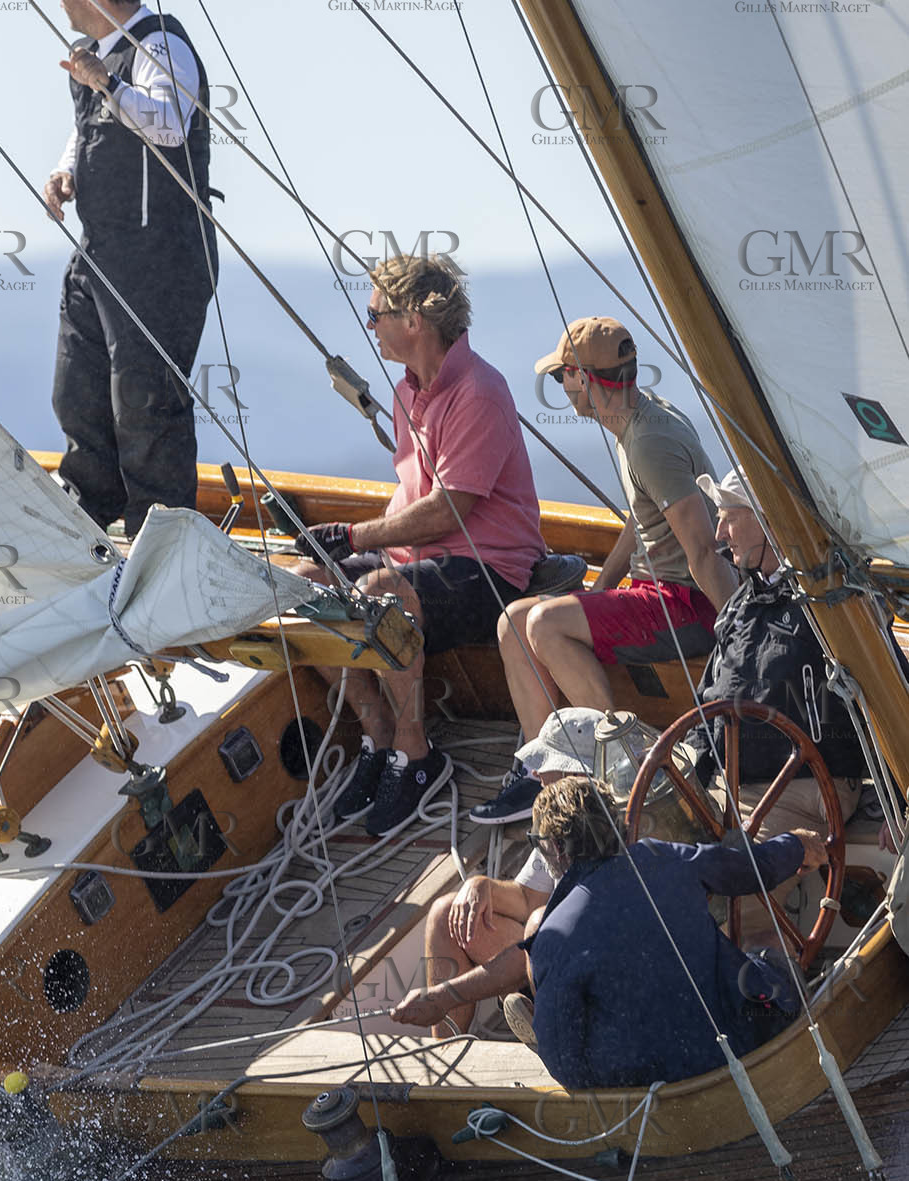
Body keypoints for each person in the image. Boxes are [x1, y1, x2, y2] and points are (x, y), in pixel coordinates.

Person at [292, 254, 545, 836]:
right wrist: (334, 550)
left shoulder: (479, 392)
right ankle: (379, 736)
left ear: (414, 322)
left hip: (490, 569)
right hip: (423, 560)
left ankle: (417, 755)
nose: (369, 323)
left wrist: (354, 537)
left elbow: (450, 509)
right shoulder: (411, 395)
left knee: (379, 591)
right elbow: (412, 498)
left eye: (376, 313)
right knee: (303, 583)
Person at [472, 316, 735, 826]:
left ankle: (621, 769)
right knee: (514, 623)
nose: (561, 389)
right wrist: (598, 592)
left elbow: (703, 550)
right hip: (658, 591)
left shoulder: (649, 442)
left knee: (543, 624)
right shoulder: (634, 422)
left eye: (561, 377)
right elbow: (642, 522)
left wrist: (737, 635)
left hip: (688, 602)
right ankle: (542, 775)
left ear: (586, 379)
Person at [42, 0, 218, 538]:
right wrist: (66, 169)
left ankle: (158, 537)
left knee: (146, 405)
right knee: (79, 389)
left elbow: (170, 123)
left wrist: (106, 82)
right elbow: (89, 128)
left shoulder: (160, 43)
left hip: (160, 259)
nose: (61, 2)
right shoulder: (96, 52)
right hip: (103, 249)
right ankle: (89, 514)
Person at [521, 779, 826, 1088]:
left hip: (657, 1083)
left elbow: (566, 1065)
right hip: (746, 1038)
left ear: (557, 849)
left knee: (572, 1025)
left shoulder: (551, 938)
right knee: (769, 947)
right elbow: (750, 869)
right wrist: (796, 846)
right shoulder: (662, 856)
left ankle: (541, 1021)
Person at [690, 466, 865, 944]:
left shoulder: (830, 602)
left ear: (767, 519)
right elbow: (705, 701)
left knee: (730, 903)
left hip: (804, 786)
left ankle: (758, 992)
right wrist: (688, 768)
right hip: (727, 782)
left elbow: (888, 689)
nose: (720, 532)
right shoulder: (740, 606)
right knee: (643, 854)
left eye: (729, 516)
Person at [391, 710, 603, 1036]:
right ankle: (444, 1058)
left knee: (539, 929)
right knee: (447, 913)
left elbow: (540, 941)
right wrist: (481, 886)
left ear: (576, 772)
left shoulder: (606, 829)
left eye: (547, 765)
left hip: (595, 972)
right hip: (555, 953)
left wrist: (442, 997)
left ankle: (553, 1031)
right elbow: (526, 898)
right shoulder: (562, 820)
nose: (536, 773)